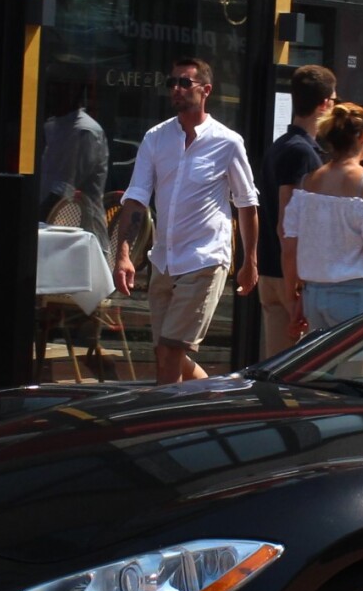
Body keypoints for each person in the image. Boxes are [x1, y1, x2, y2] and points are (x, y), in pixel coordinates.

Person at [114, 57, 258, 384]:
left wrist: (249, 261)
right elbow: (136, 198)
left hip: (204, 259)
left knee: (168, 353)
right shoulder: (156, 138)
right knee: (169, 355)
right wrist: (124, 255)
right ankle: (218, 402)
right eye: (172, 83)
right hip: (164, 260)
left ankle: (163, 430)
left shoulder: (228, 142)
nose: (176, 89)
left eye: (184, 83)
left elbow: (247, 203)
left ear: (206, 90)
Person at [282, 100, 363, 334]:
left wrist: (294, 296)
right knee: (353, 369)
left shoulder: (307, 183)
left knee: (320, 368)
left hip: (313, 296)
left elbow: (290, 247)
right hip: (353, 297)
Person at [257, 65, 335, 352]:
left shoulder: (279, 146)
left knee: (277, 369)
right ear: (325, 103)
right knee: (298, 371)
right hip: (290, 276)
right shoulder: (302, 152)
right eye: (334, 101)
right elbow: (287, 224)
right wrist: (295, 289)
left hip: (271, 270)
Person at [35, 84, 109, 237]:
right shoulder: (51, 126)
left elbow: (65, 189)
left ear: (73, 92)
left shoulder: (85, 131)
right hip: (50, 231)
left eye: (56, 89)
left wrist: (31, 218)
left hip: (83, 235)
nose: (50, 96)